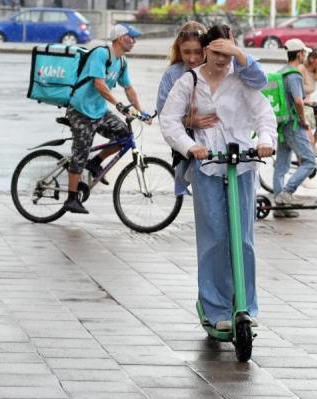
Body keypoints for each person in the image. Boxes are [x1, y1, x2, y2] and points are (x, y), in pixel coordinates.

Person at [160, 25, 276, 331]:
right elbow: (168, 120)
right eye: (216, 52)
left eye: (228, 52)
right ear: (205, 50)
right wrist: (191, 146)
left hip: (243, 164)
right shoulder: (190, 81)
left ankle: (245, 306)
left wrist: (265, 139)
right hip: (208, 165)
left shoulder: (242, 80)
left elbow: (265, 114)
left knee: (244, 239)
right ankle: (215, 308)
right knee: (214, 238)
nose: (223, 59)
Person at [156, 21, 267, 195]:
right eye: (186, 52)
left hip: (236, 152)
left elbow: (259, 83)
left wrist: (236, 51)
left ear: (206, 49)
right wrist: (189, 122)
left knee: (241, 212)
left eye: (198, 52)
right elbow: (166, 115)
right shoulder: (175, 75)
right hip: (197, 147)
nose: (192, 58)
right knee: (208, 209)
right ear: (179, 51)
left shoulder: (232, 71)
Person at [63, 23, 152, 214]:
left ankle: (95, 163)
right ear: (120, 38)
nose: (134, 41)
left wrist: (140, 112)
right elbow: (99, 83)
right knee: (80, 151)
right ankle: (71, 198)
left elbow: (128, 88)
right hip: (80, 110)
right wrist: (118, 104)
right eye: (132, 37)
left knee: (123, 136)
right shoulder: (101, 54)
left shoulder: (122, 62)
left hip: (99, 111)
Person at [272, 38, 317, 218]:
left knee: (281, 166)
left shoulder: (281, 72)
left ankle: (280, 206)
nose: (305, 56)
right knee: (309, 161)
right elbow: (298, 101)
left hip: (281, 124)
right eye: (304, 53)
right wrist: (304, 120)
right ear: (299, 54)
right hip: (293, 124)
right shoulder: (294, 74)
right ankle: (287, 192)